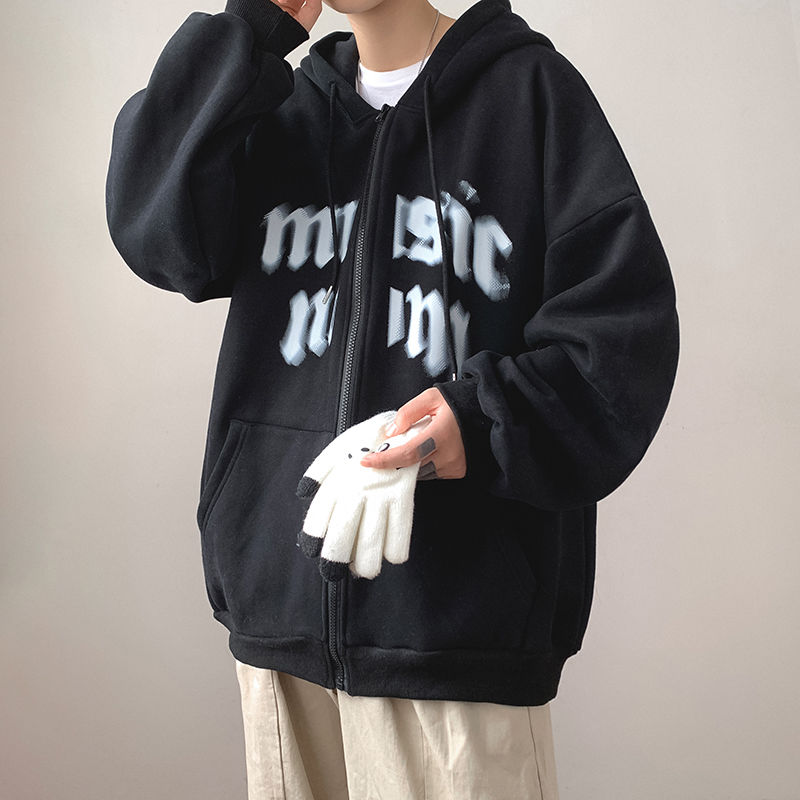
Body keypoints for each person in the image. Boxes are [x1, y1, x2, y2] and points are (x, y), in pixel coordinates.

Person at [104, 0, 680, 796]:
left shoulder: (529, 95)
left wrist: (470, 423)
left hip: (455, 640)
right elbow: (152, 227)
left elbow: (619, 344)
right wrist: (255, 27)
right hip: (281, 634)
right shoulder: (281, 108)